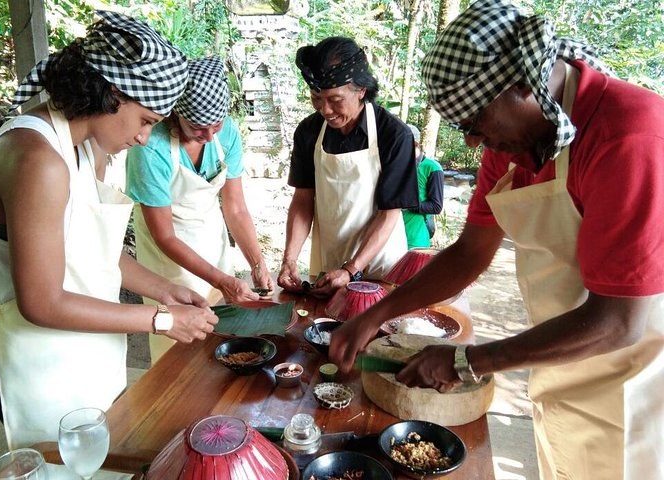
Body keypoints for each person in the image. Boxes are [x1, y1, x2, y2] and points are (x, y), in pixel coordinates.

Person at [329, 1, 664, 479]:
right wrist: (376, 315)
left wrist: (470, 360)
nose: (471, 143)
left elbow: (619, 321)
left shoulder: (629, 134)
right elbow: (469, 253)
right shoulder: (509, 145)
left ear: (523, 85)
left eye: (474, 124)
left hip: (634, 386)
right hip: (557, 361)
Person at [0, 11, 218, 449]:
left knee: (107, 463)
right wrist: (159, 321)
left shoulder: (83, 149)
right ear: (113, 94)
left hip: (93, 354)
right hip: (46, 368)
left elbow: (94, 253)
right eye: (145, 120)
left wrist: (164, 290)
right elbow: (41, 302)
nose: (144, 138)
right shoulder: (36, 159)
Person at [126, 56, 274, 363]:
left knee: (221, 343)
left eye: (216, 125)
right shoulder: (151, 149)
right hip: (167, 259)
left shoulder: (227, 134)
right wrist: (220, 280)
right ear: (175, 114)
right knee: (179, 355)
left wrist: (257, 263)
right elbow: (164, 236)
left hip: (212, 245)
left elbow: (235, 207)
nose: (209, 136)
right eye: (197, 128)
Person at [277, 37, 418, 297]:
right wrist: (290, 259)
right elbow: (303, 200)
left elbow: (389, 213)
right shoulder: (309, 132)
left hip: (381, 268)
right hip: (329, 266)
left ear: (361, 90)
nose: (325, 110)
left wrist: (352, 269)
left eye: (335, 99)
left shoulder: (394, 135)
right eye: (316, 99)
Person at [402, 124, 443, 248]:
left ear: (415, 144)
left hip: (416, 239)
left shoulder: (432, 168)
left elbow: (436, 206)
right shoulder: (396, 166)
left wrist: (407, 205)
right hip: (392, 238)